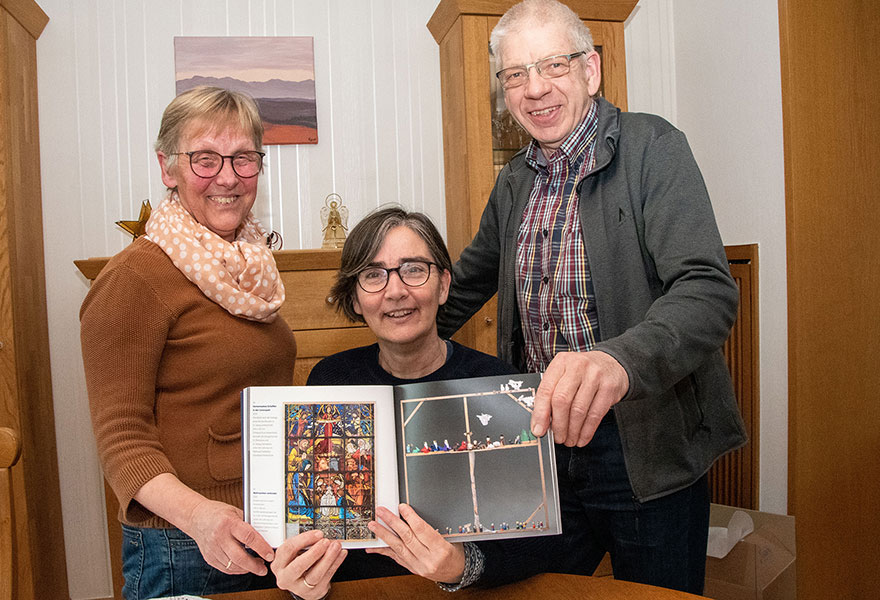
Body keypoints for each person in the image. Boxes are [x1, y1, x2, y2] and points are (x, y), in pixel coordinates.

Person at [436, 0, 748, 595]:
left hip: (643, 446)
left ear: (591, 70)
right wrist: (401, 334)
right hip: (541, 446)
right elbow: (466, 285)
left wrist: (617, 361)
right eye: (515, 75)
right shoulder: (514, 182)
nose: (534, 89)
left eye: (553, 66)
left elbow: (706, 290)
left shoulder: (653, 147)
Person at [80, 86, 343, 600]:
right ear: (167, 167)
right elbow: (122, 441)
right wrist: (201, 518)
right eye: (205, 158)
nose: (227, 176)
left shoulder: (250, 269)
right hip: (182, 544)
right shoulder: (134, 277)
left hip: (262, 532)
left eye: (243, 158)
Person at [298, 206, 559, 591]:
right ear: (354, 298)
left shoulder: (498, 384)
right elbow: (316, 534)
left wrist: (461, 566)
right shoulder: (330, 382)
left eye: (414, 269)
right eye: (373, 275)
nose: (396, 290)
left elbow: (537, 544)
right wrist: (303, 585)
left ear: (444, 285)